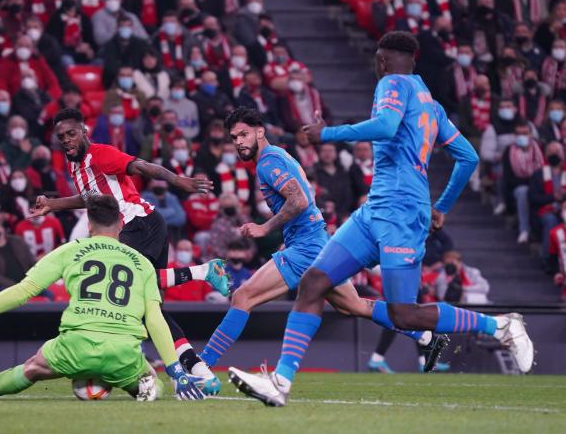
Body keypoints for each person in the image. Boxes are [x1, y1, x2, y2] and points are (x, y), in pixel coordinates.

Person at [229, 32, 535, 407]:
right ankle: (280, 382)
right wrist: (442, 206)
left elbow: (387, 126)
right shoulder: (432, 105)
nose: (377, 65)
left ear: (384, 60)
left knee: (403, 314)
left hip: (401, 215)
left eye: (378, 59)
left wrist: (329, 134)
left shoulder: (392, 83)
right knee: (314, 282)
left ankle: (501, 326)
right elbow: (467, 157)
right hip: (377, 209)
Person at [200, 107, 447, 395]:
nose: (239, 141)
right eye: (234, 137)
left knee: (243, 297)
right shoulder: (279, 155)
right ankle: (425, 335)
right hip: (313, 241)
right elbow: (307, 196)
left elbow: (300, 200)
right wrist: (292, 235)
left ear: (260, 131)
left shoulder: (268, 162)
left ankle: (201, 368)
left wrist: (266, 228)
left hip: (307, 247)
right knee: (352, 306)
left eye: (243, 134)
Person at [0, 195, 204, 402]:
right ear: (121, 223)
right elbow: (155, 319)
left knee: (33, 367)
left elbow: (23, 291)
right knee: (151, 379)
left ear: (89, 224)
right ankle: (149, 390)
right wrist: (177, 372)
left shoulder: (71, 250)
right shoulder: (142, 263)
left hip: (75, 346)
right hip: (123, 351)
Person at [29, 108, 229, 392]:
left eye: (71, 133)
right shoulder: (73, 162)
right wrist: (53, 204)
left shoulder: (100, 154)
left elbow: (144, 167)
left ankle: (203, 271)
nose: (66, 140)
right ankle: (200, 371)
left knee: (132, 290)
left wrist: (179, 181)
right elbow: (90, 198)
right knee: (150, 311)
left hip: (138, 225)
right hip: (141, 228)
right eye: (61, 136)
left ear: (84, 131)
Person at [0, 215, 35, 293]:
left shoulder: (17, 241)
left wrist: (31, 281)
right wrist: (17, 286)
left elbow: (32, 261)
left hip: (27, 282)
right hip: (6, 286)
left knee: (48, 294)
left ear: (2, 229)